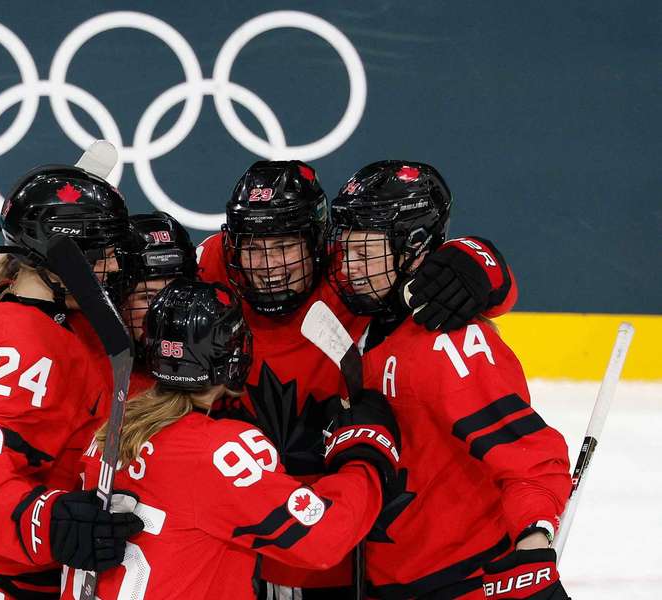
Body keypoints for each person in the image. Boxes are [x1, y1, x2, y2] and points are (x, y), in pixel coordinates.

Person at [196, 159, 520, 593]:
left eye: (285, 245)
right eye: (253, 246)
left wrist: (480, 264)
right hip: (238, 525)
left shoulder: (353, 273)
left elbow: (472, 282)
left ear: (317, 242)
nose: (267, 264)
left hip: (342, 530)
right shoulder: (216, 265)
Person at [62, 279, 402, 600]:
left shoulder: (110, 434)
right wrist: (365, 453)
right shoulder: (217, 451)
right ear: (232, 357)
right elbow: (324, 538)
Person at [328, 160, 571, 599]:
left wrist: (533, 544)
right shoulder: (363, 318)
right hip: (387, 581)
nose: (351, 266)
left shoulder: (449, 343)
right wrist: (482, 259)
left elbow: (530, 460)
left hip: (461, 582)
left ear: (415, 248)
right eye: (345, 250)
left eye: (366, 252)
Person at [0, 164, 144, 599]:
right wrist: (51, 522)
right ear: (54, 258)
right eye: (98, 252)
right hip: (6, 579)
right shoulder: (25, 346)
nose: (113, 264)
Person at [119, 211, 198, 396]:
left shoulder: (212, 376)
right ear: (118, 302)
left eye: (177, 293)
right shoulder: (93, 375)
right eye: (148, 297)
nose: (164, 309)